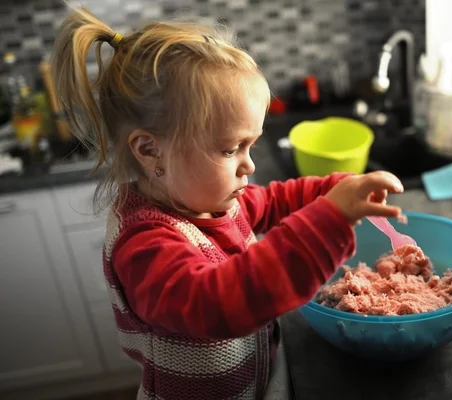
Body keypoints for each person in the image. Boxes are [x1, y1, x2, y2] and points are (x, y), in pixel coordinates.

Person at [52, 5, 404, 400]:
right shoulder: (144, 246)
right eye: (231, 149)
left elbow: (274, 200)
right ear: (151, 150)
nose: (249, 165)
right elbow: (216, 301)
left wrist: (339, 189)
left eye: (250, 145)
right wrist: (329, 220)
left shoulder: (209, 202)